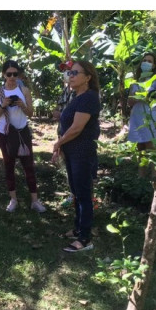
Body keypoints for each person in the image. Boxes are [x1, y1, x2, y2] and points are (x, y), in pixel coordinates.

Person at [52, 60, 101, 253]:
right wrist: (63, 145)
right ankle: (78, 227)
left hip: (82, 152)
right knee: (76, 192)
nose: (70, 76)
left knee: (83, 194)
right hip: (72, 151)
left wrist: (58, 143)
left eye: (75, 73)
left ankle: (85, 238)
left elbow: (77, 128)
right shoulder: (76, 96)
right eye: (70, 73)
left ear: (88, 77)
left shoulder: (89, 97)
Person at [0, 60, 46, 214]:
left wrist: (22, 105)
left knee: (29, 165)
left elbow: (30, 113)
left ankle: (35, 201)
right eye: (9, 74)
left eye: (15, 74)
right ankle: (13, 199)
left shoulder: (24, 90)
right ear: (3, 75)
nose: (12, 77)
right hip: (5, 133)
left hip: (22, 132)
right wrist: (3, 105)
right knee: (9, 165)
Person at [127, 51, 156, 168]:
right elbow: (130, 102)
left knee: (151, 148)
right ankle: (142, 179)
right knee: (140, 148)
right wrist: (138, 96)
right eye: (144, 60)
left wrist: (150, 95)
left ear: (154, 66)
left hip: (151, 118)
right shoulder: (136, 81)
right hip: (137, 118)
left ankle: (154, 179)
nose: (146, 63)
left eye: (149, 61)